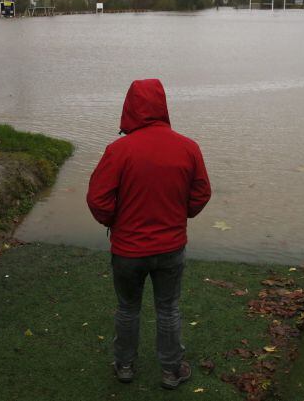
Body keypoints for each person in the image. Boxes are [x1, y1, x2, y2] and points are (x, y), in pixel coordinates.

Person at [86, 78, 212, 390]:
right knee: (168, 309)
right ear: (162, 106)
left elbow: (98, 199)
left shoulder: (119, 151)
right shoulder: (188, 148)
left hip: (128, 250)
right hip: (171, 247)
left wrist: (114, 222)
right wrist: (180, 215)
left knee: (128, 308)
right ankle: (171, 370)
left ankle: (125, 366)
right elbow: (201, 193)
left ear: (129, 107)